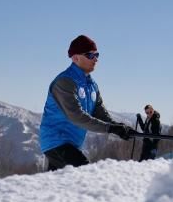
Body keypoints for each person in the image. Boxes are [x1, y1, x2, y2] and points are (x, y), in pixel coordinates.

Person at [39, 35, 135, 170]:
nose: (95, 59)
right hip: (56, 142)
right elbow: (77, 116)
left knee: (58, 187)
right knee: (85, 173)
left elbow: (100, 113)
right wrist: (110, 128)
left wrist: (118, 127)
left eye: (97, 55)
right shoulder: (64, 82)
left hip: (72, 144)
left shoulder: (91, 85)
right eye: (90, 55)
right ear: (75, 58)